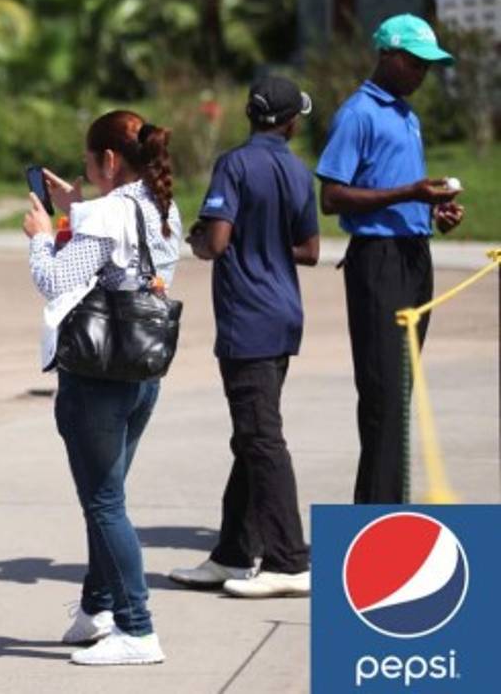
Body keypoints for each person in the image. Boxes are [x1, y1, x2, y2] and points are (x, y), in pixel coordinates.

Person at [24, 110, 180, 666]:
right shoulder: (161, 206)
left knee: (104, 502)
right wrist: (76, 206)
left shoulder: (105, 214)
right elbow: (125, 254)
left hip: (96, 378)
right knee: (106, 499)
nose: (87, 175)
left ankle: (137, 628)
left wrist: (43, 239)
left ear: (109, 161)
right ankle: (99, 606)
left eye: (91, 165)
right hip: (142, 373)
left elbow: (55, 282)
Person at [172, 76, 319, 598]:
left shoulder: (235, 164)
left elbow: (214, 242)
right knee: (250, 436)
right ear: (291, 122)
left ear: (250, 115)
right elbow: (310, 250)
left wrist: (195, 237)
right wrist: (269, 241)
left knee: (261, 438)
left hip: (247, 320)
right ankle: (233, 553)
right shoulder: (299, 171)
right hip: (282, 316)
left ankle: (289, 560)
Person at [316, 14, 465, 504]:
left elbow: (403, 193)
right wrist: (408, 191)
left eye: (429, 66)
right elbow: (332, 197)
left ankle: (390, 506)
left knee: (402, 391)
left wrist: (432, 208)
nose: (422, 73)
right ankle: (375, 517)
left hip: (413, 256)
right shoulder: (358, 113)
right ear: (388, 55)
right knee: (382, 393)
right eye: (416, 63)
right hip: (376, 260)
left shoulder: (407, 115)